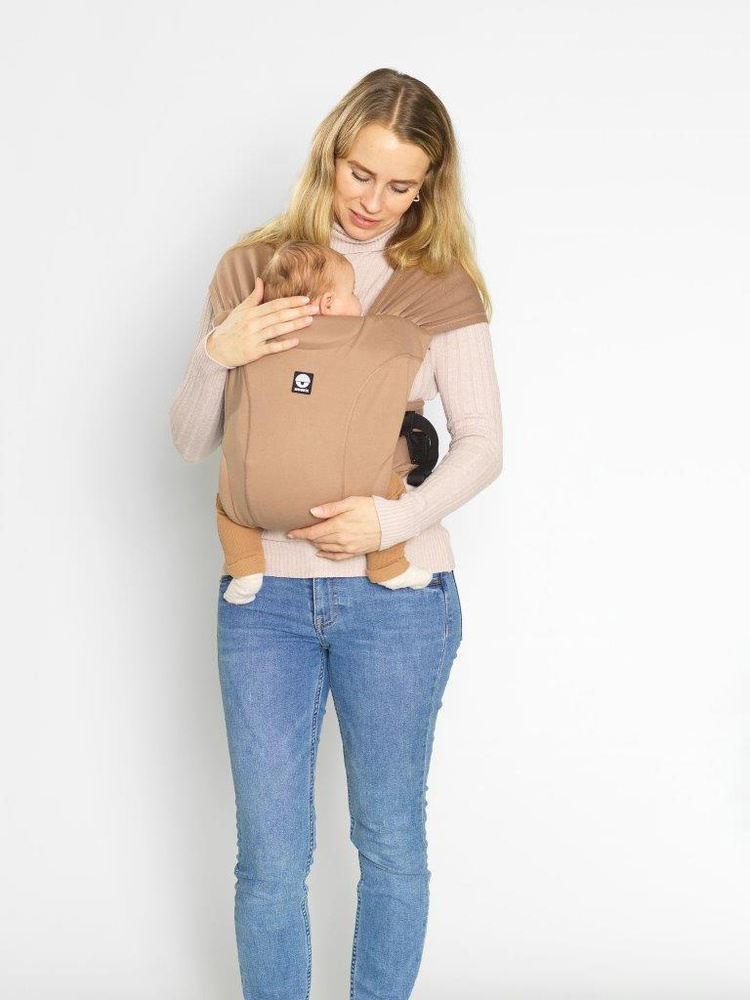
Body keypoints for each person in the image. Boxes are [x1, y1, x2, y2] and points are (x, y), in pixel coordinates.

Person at [169, 67, 504, 1000]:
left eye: (402, 186)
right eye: (362, 174)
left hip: (398, 601)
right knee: (270, 858)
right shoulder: (254, 270)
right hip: (263, 602)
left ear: (429, 187)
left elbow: (483, 444)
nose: (375, 203)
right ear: (329, 156)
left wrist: (390, 519)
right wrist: (216, 355)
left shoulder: (438, 285)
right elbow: (193, 441)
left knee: (389, 841)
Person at [215, 238, 440, 605]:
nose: (359, 301)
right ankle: (388, 567)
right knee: (392, 490)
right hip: (349, 494)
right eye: (353, 293)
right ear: (330, 303)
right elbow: (411, 338)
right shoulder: (373, 337)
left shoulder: (250, 337)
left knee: (228, 506)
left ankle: (246, 568)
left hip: (257, 497)